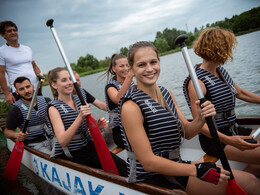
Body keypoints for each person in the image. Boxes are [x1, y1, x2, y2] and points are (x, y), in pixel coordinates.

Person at [119, 41, 260, 194]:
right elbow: (148, 162)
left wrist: (200, 119)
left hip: (176, 166)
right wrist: (196, 169)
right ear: (131, 69)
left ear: (159, 62)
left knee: (251, 183)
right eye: (141, 65)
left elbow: (187, 132)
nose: (149, 69)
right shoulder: (130, 107)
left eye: (153, 62)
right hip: (149, 177)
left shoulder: (166, 93)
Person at [183, 27, 260, 177]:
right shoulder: (197, 83)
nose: (230, 51)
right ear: (220, 49)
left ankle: (247, 182)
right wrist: (230, 141)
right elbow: (201, 125)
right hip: (215, 139)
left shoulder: (221, 71)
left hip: (233, 129)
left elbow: (241, 93)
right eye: (228, 47)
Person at [47, 67, 126, 176]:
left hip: (89, 147)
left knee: (124, 168)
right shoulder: (53, 108)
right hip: (72, 155)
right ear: (54, 85)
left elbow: (83, 129)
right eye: (64, 80)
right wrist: (80, 117)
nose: (70, 83)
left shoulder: (80, 98)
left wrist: (96, 127)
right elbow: (63, 141)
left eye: (70, 79)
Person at [4, 76, 53, 154]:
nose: (26, 91)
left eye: (28, 87)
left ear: (33, 86)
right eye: (21, 89)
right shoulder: (15, 110)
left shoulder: (47, 100)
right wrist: (17, 135)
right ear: (17, 92)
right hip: (35, 144)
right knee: (52, 155)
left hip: (53, 138)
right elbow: (7, 132)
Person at [0, 21, 44, 105]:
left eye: (14, 30)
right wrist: (7, 94)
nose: (13, 32)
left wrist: (41, 78)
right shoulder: (1, 51)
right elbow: (1, 74)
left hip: (34, 88)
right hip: (19, 92)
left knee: (43, 114)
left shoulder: (27, 49)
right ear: (3, 35)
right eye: (9, 31)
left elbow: (34, 66)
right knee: (26, 117)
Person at [103, 53, 134, 148]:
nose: (125, 68)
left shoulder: (132, 82)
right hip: (121, 131)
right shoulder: (110, 86)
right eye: (121, 66)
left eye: (127, 65)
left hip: (135, 124)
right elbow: (118, 99)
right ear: (114, 69)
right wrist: (129, 76)